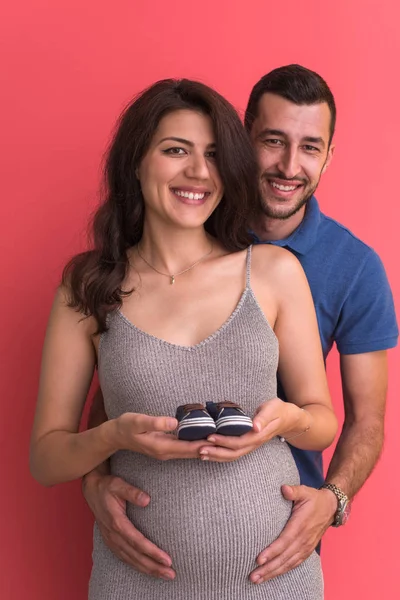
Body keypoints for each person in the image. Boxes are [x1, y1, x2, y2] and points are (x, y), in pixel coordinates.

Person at [81, 65, 398, 585]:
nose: (289, 165)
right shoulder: (180, 223)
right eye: (273, 141)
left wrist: (331, 501)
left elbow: (365, 419)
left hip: (275, 537)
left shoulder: (355, 267)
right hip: (147, 538)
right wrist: (92, 478)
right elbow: (124, 369)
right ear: (241, 141)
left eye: (311, 147)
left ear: (329, 156)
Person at [30, 78, 338, 599]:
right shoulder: (88, 287)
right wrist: (114, 436)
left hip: (277, 583)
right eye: (177, 151)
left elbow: (322, 422)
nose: (199, 172)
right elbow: (46, 459)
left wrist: (286, 420)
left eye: (214, 155)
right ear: (136, 161)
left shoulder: (272, 271)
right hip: (135, 583)